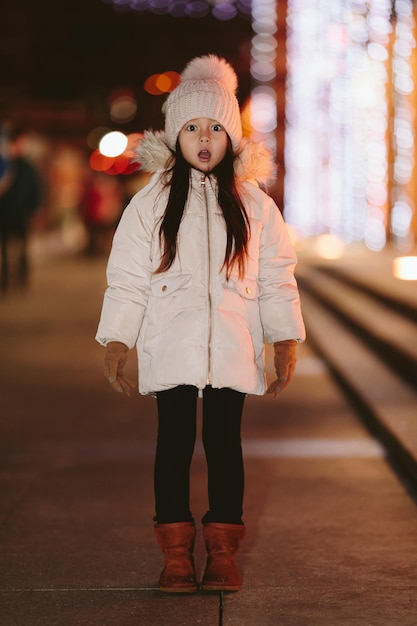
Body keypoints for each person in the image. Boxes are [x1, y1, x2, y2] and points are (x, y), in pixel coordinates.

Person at [96, 54, 305, 594]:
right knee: (173, 444)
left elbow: (278, 273)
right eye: (192, 127)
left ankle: (221, 553)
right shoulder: (151, 204)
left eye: (216, 127)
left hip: (232, 347)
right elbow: (126, 277)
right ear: (174, 135)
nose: (205, 137)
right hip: (173, 346)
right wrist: (118, 337)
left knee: (223, 444)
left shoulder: (255, 204)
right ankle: (175, 558)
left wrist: (283, 338)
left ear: (232, 136)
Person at [0, 126, 42, 292]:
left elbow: (35, 189)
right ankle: (5, 279)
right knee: (4, 248)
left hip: (22, 214)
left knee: (23, 248)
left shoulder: (27, 167)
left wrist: (34, 209)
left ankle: (22, 278)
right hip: (5, 213)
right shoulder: (6, 164)